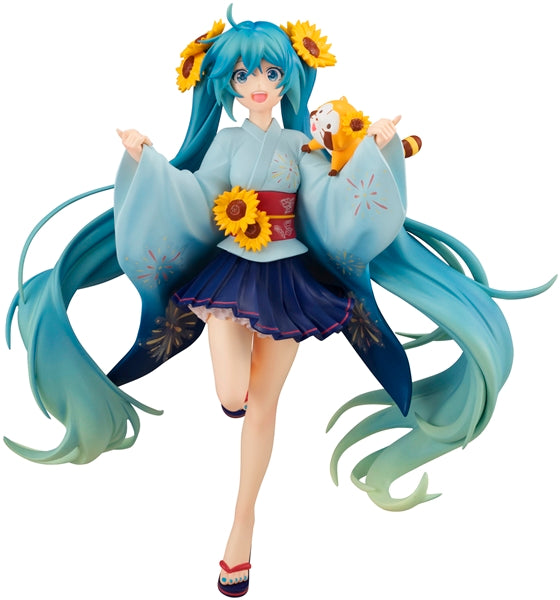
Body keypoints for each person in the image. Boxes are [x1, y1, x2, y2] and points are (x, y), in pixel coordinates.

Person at [5, 7, 554, 598]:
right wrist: (148, 163)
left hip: (291, 279)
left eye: (270, 72)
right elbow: (193, 193)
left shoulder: (300, 144)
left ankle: (241, 528)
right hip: (229, 270)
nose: (258, 85)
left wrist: (373, 151)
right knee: (232, 395)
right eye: (243, 76)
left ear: (288, 76)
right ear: (228, 86)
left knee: (263, 406)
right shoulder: (226, 142)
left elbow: (334, 196)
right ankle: (234, 409)